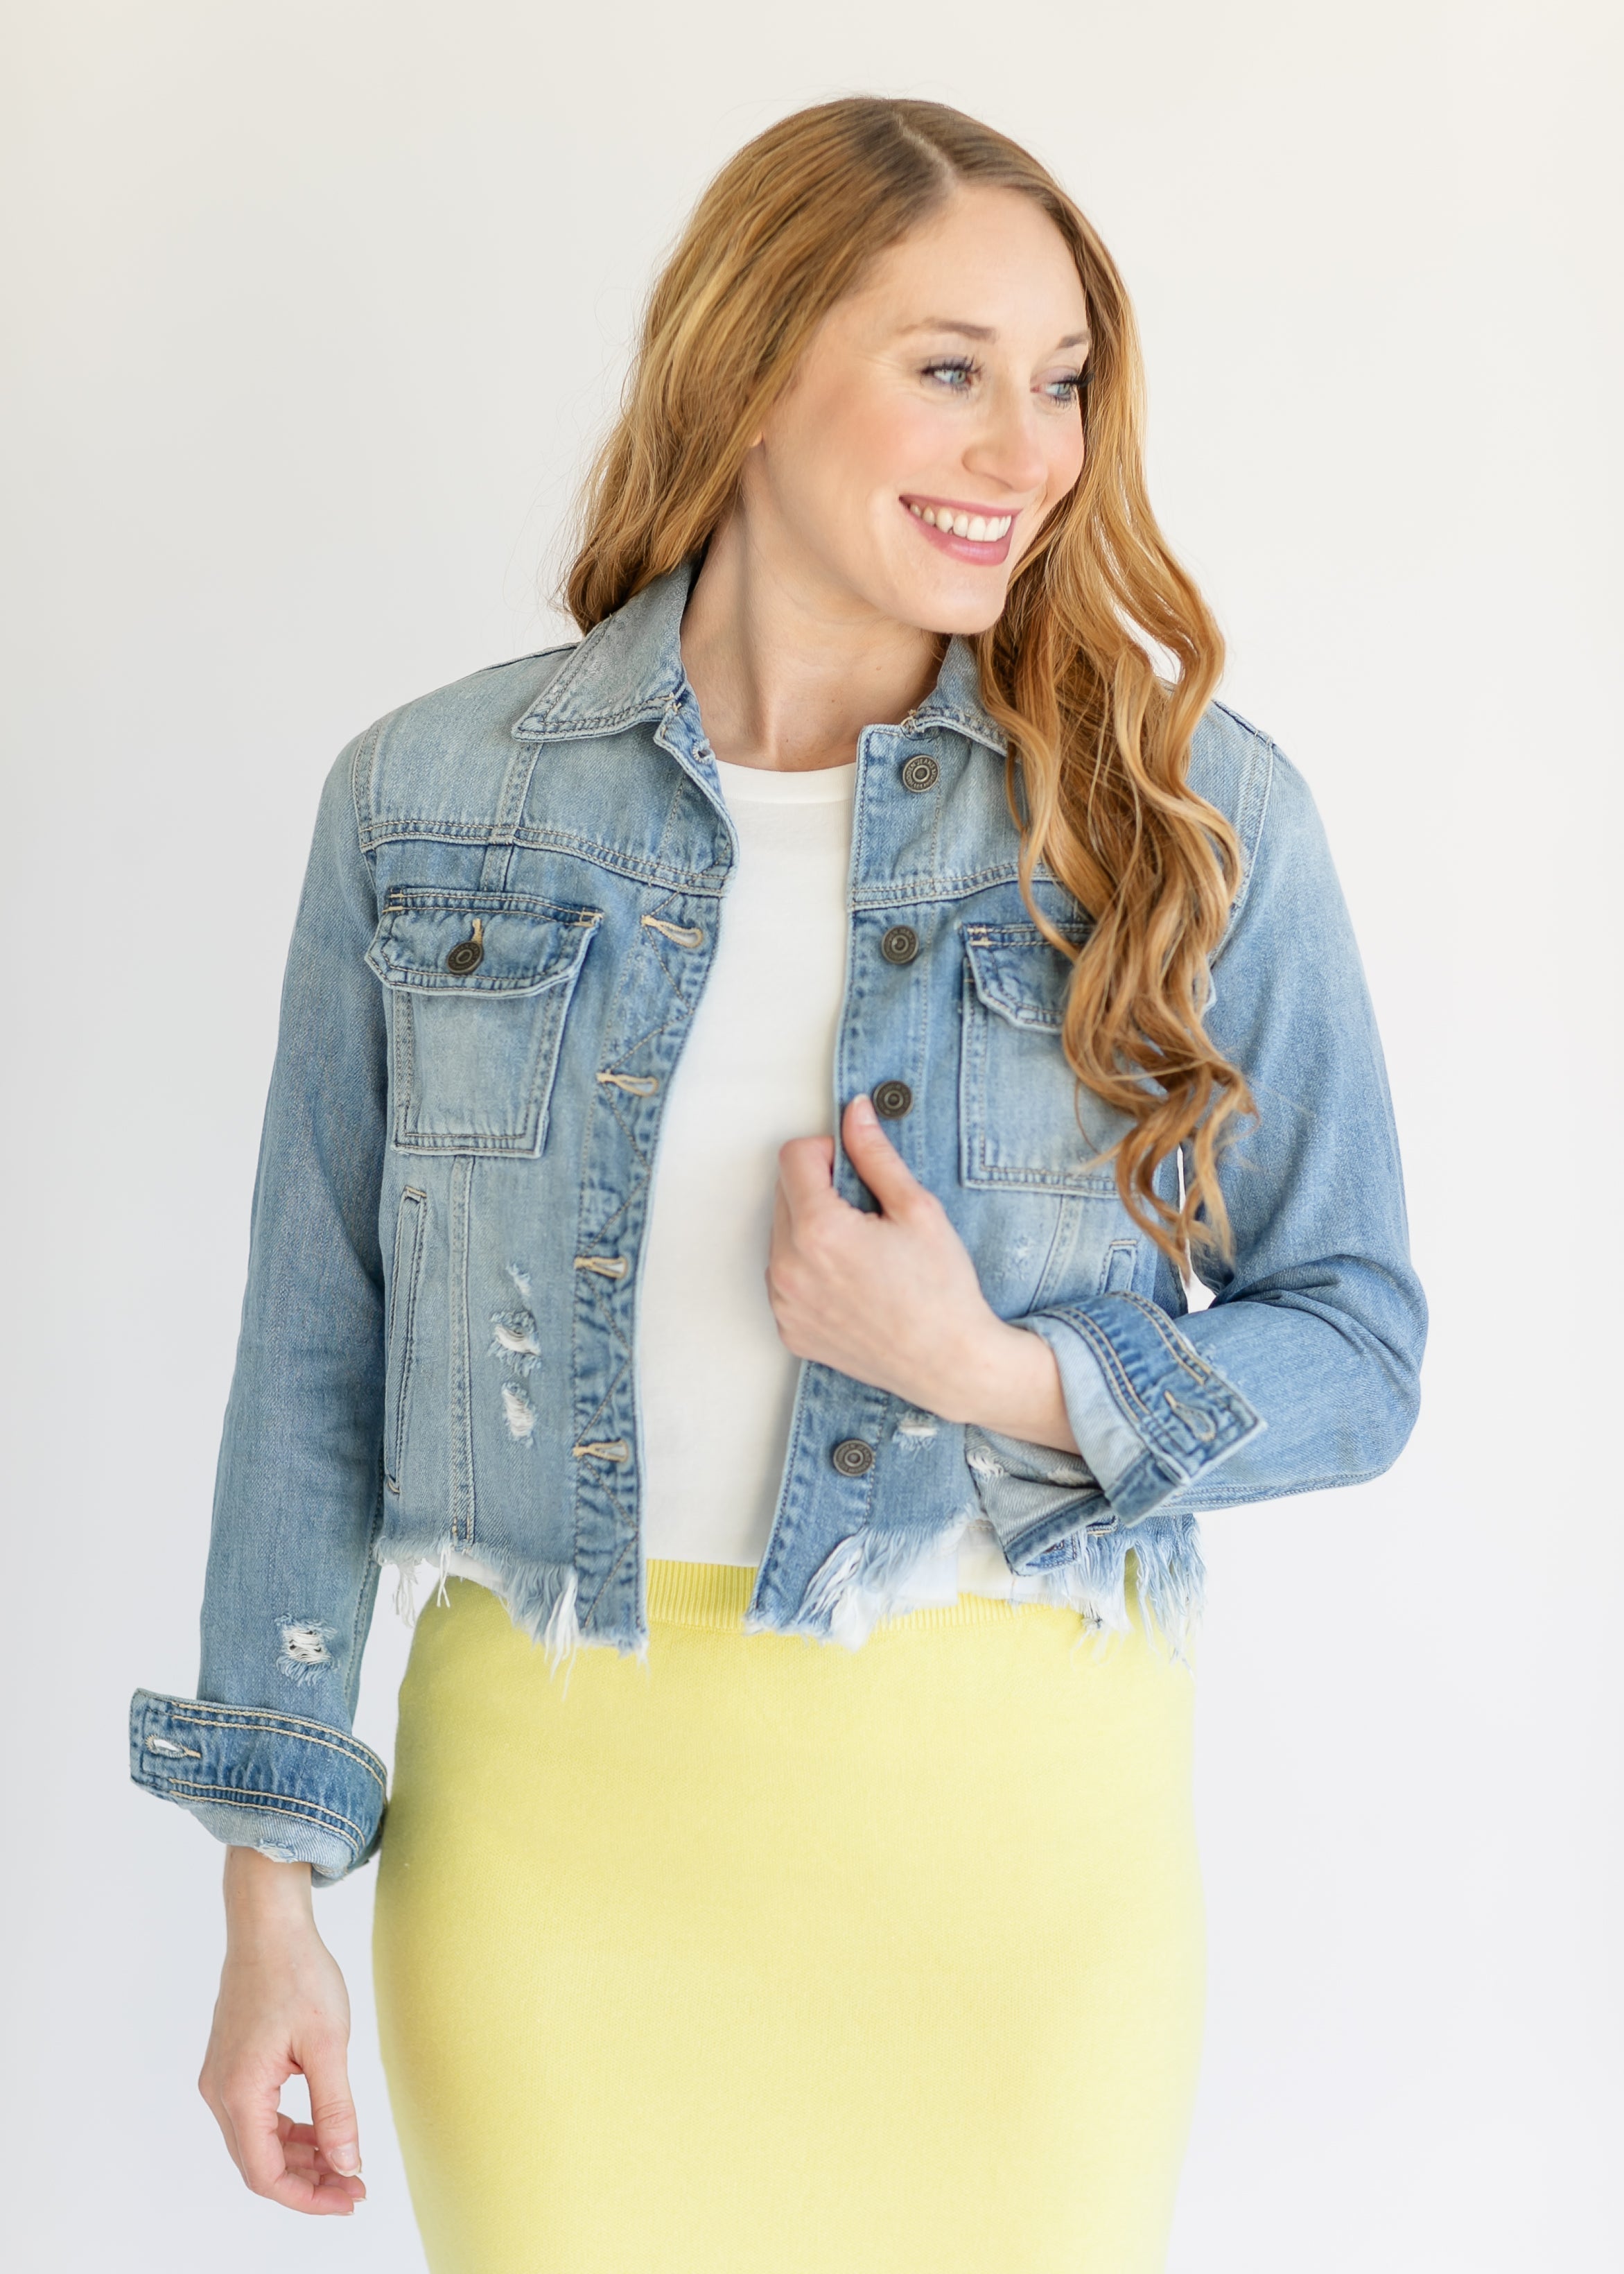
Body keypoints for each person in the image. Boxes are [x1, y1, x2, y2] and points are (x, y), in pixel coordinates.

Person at [128, 95, 1426, 2274]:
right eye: (950, 368)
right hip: (553, 1862)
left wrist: (997, 1373)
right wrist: (271, 1900)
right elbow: (312, 1360)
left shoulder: (1178, 814)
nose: (1026, 450)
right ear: (748, 368)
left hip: (1012, 1874)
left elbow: (1359, 1343)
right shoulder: (432, 802)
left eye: (1062, 382)